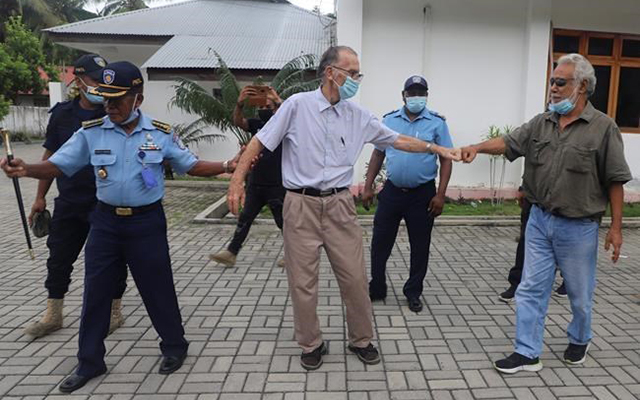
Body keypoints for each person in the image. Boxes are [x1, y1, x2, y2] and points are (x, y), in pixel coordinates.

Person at [1, 61, 241, 393]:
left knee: (158, 288)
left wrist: (229, 164)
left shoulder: (160, 132)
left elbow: (191, 165)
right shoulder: (91, 131)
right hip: (105, 223)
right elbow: (58, 164)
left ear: (138, 100)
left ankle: (174, 346)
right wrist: (25, 168)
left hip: (147, 224)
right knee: (95, 292)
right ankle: (89, 362)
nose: (109, 106)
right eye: (105, 99)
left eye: (117, 99)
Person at [227, 46, 457, 371]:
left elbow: (397, 140)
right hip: (300, 204)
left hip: (339, 206)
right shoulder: (296, 106)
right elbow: (260, 142)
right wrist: (238, 180)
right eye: (351, 72)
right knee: (302, 282)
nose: (356, 79)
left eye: (358, 73)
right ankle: (311, 343)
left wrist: (437, 148)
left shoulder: (357, 115)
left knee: (355, 278)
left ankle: (361, 339)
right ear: (330, 73)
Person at [456, 53, 631, 374]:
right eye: (551, 81)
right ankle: (527, 352)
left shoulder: (603, 128)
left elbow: (616, 179)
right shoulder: (542, 122)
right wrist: (476, 148)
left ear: (582, 87)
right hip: (539, 220)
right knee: (530, 287)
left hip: (579, 228)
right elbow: (508, 142)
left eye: (560, 82)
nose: (552, 87)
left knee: (579, 295)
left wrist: (616, 228)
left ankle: (580, 336)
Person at [24, 54, 129, 338]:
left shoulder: (112, 113)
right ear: (79, 81)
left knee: (112, 259)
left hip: (105, 203)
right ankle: (53, 313)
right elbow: (51, 157)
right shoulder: (62, 115)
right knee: (59, 257)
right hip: (70, 202)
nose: (101, 86)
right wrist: (39, 198)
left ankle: (113, 311)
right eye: (96, 80)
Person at [363, 75, 453, 313]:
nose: (416, 97)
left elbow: (446, 159)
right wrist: (367, 186)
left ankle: (413, 291)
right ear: (403, 95)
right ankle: (378, 286)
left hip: (423, 194)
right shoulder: (389, 120)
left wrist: (441, 194)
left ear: (426, 95)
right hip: (392, 191)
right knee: (380, 241)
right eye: (411, 93)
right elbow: (378, 154)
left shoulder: (437, 123)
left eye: (420, 93)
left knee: (420, 245)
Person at [210, 85, 286, 268]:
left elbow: (291, 115)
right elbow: (238, 122)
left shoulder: (283, 124)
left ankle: (293, 254)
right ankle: (231, 252)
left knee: (282, 221)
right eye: (261, 107)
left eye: (268, 108)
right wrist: (240, 104)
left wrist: (277, 100)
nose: (264, 111)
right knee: (245, 218)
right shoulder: (256, 124)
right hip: (255, 182)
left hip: (276, 183)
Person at [498, 188, 566, 303]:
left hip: (567, 198)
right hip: (534, 196)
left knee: (564, 240)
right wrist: (523, 188)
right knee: (525, 239)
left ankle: (569, 281)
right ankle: (517, 283)